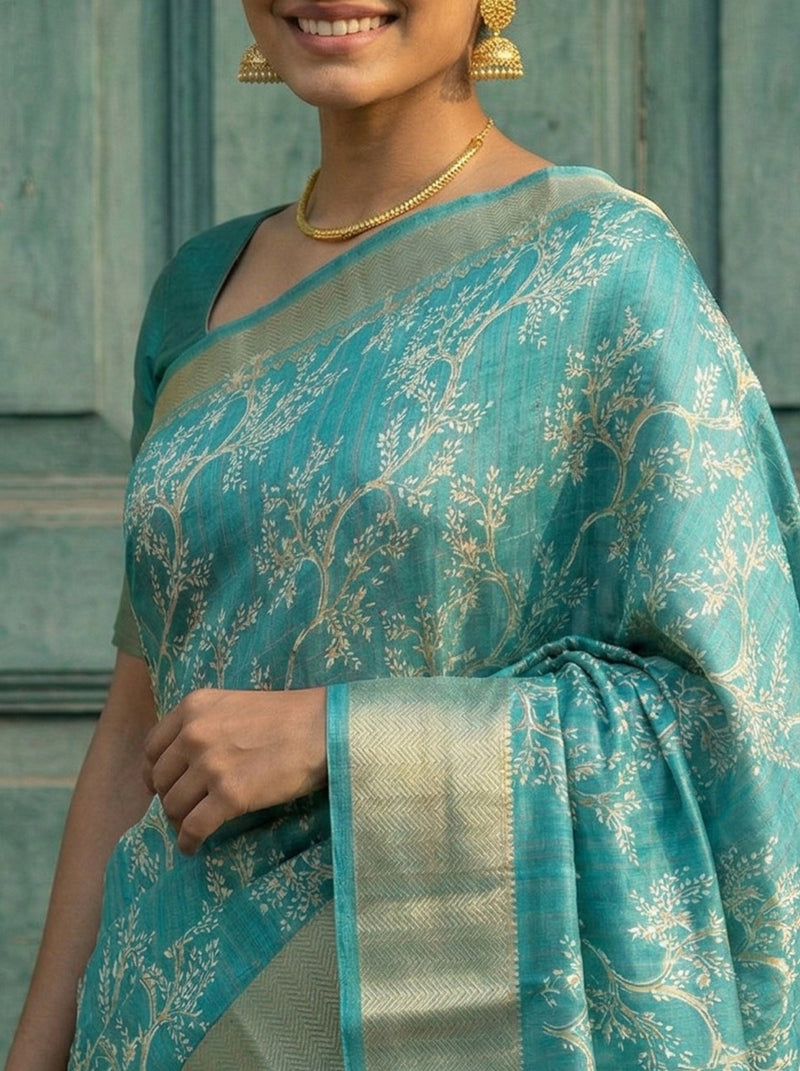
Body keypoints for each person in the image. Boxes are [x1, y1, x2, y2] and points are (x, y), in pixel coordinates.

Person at [6, 1, 800, 1068]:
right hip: (158, 1024)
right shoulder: (195, 296)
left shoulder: (604, 271)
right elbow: (134, 722)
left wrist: (335, 739)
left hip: (425, 1020)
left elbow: (731, 713)